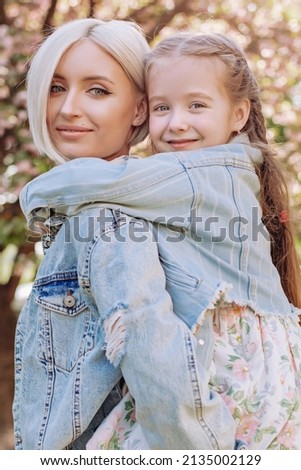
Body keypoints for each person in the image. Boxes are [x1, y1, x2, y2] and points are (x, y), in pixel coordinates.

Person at [21, 31, 301, 450]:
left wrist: (34, 195)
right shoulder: (152, 196)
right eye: (56, 87)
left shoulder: (116, 213)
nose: (68, 108)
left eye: (97, 90)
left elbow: (154, 356)